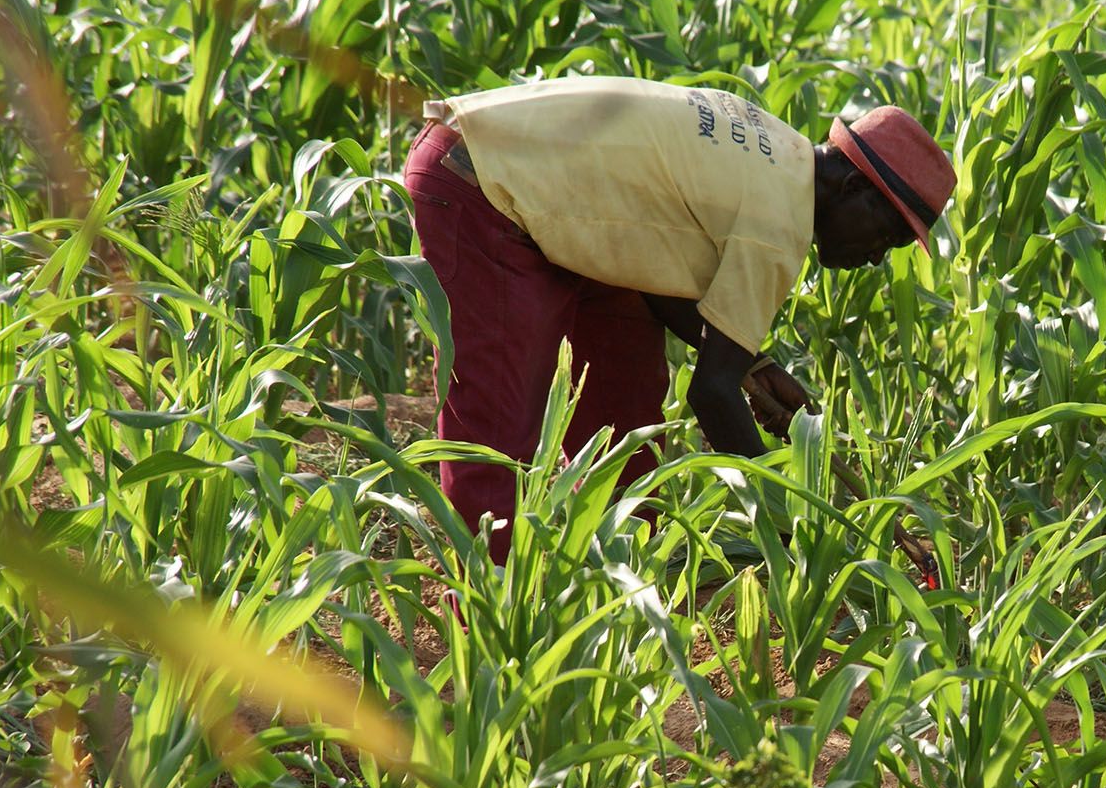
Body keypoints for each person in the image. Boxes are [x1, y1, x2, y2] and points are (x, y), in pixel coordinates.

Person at [402, 75, 956, 565]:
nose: (877, 255)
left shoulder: (783, 152)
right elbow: (711, 395)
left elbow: (659, 265)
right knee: (497, 429)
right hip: (483, 184)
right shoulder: (778, 223)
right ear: (854, 186)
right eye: (885, 233)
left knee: (624, 410)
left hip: (556, 198)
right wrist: (792, 527)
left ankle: (613, 570)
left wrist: (752, 366)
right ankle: (490, 618)